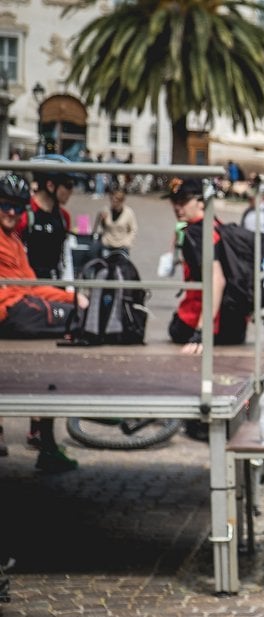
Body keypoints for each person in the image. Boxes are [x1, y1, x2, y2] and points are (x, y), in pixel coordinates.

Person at [0, 172, 87, 472]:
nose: (11, 213)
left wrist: (67, 294)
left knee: (46, 364)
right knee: (72, 324)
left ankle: (43, 436)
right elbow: (21, 284)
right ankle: (43, 440)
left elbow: (35, 277)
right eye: (4, 206)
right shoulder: (23, 223)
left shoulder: (60, 217)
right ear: (52, 184)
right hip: (16, 308)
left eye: (16, 206)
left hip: (33, 297)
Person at [164, 177, 247, 354]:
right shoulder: (215, 224)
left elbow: (217, 280)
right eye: (174, 201)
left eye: (184, 201)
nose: (177, 207)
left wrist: (201, 332)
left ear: (201, 202)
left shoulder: (196, 233)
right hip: (236, 325)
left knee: (175, 329)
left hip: (208, 325)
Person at [17, 155, 76, 281]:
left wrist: (69, 289)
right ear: (50, 185)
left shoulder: (64, 217)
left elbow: (65, 257)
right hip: (29, 286)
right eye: (68, 185)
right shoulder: (24, 216)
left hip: (55, 287)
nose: (72, 191)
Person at [94, 188, 138, 256]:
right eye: (112, 200)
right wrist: (102, 220)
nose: (113, 203)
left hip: (122, 246)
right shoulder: (106, 210)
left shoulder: (128, 212)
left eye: (116, 201)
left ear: (121, 201)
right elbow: (102, 228)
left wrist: (128, 241)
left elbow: (133, 229)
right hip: (107, 244)